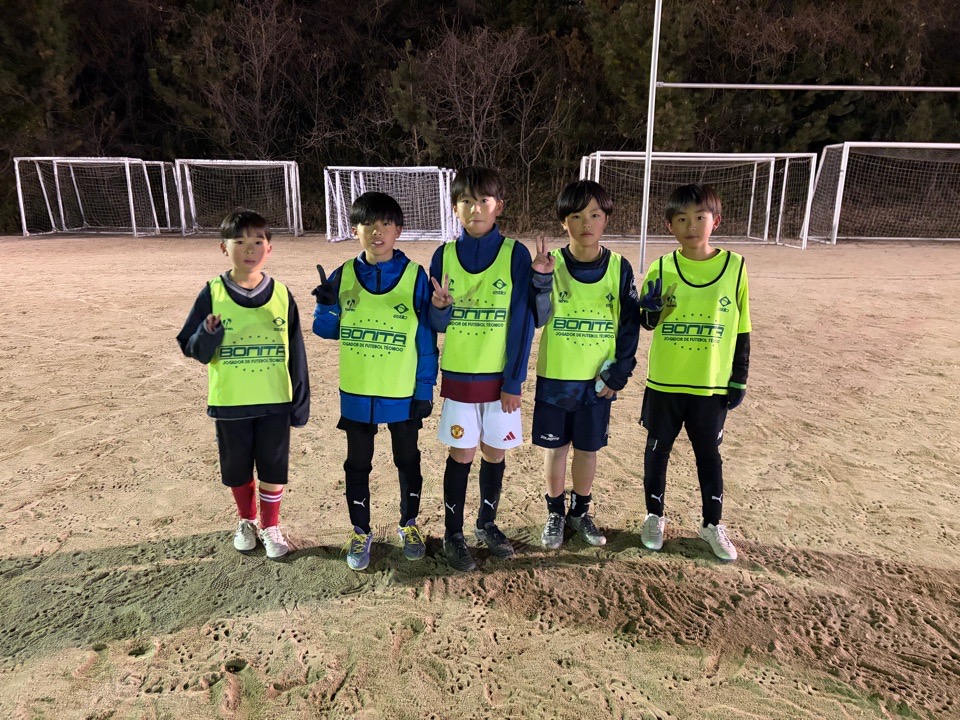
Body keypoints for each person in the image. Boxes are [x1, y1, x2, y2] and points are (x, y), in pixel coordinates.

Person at [429, 166, 549, 572]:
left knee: (494, 451)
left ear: (499, 206)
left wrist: (514, 379)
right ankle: (453, 534)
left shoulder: (515, 254)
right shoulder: (443, 255)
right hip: (460, 377)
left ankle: (486, 523)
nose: (474, 208)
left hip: (500, 380)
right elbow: (437, 323)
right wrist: (439, 309)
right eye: (466, 200)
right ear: (455, 207)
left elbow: (524, 322)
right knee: (462, 452)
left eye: (483, 200)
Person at [312, 192, 438, 572]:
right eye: (367, 224)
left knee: (407, 459)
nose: (377, 231)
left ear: (399, 230)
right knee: (357, 463)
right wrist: (327, 305)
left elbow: (426, 339)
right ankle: (360, 530)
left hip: (401, 393)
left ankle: (408, 524)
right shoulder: (343, 275)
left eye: (385, 223)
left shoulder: (415, 277)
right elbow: (325, 329)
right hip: (357, 393)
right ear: (355, 230)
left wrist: (424, 389)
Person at [177, 208, 310, 560]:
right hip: (231, 402)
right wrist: (208, 334)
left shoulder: (281, 294)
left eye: (257, 241)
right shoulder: (213, 292)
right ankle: (246, 521)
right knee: (236, 469)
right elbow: (193, 349)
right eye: (239, 241)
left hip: (274, 401)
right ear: (224, 247)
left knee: (273, 467)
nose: (249, 248)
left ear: (269, 248)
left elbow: (296, 350)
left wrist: (300, 400)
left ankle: (270, 525)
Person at [637, 183, 751, 561]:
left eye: (699, 217)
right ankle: (654, 516)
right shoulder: (661, 267)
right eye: (681, 219)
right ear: (669, 225)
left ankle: (711, 524)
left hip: (709, 385)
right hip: (665, 382)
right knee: (657, 451)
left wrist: (738, 376)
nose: (691, 226)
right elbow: (647, 322)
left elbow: (742, 327)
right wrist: (651, 309)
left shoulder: (734, 266)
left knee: (709, 456)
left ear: (715, 221)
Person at [533, 180, 641, 550]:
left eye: (595, 215)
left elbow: (629, 325)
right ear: (563, 221)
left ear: (606, 218)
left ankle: (580, 512)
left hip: (598, 380)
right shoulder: (551, 263)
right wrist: (541, 280)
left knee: (587, 449)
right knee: (556, 449)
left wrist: (619, 372)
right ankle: (554, 513)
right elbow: (537, 317)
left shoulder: (619, 267)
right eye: (576, 216)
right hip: (556, 377)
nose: (586, 223)